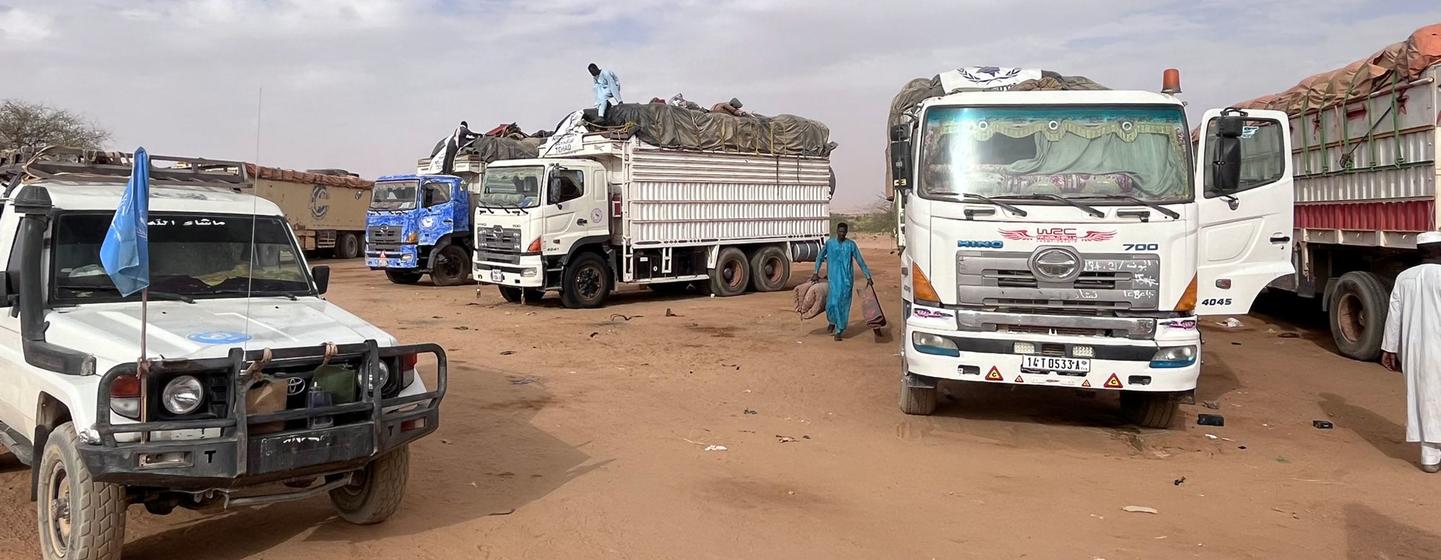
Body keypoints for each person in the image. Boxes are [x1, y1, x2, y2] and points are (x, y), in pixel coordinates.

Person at [1381, 231, 1441, 472]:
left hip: (1414, 350)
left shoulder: (1404, 278)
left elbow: (1393, 315)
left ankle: (1430, 456)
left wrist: (1389, 348)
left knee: (1423, 396)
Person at [811, 222, 872, 341]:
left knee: (842, 305)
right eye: (840, 231)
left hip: (846, 281)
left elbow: (860, 260)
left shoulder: (851, 245)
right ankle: (832, 321)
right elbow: (819, 257)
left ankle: (839, 330)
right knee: (831, 304)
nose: (842, 234)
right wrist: (815, 272)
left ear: (846, 232)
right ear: (837, 231)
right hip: (833, 280)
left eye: (844, 232)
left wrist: (868, 276)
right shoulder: (830, 244)